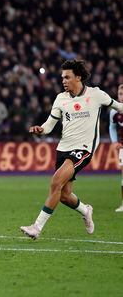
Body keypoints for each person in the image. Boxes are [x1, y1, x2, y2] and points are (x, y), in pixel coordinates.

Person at [20, 59, 123, 239]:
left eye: (67, 77)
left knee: (55, 182)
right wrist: (41, 129)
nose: (63, 81)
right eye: (62, 78)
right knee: (64, 195)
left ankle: (36, 227)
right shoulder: (61, 99)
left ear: (78, 77)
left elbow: (119, 106)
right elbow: (50, 125)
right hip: (63, 148)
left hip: (83, 149)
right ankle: (85, 210)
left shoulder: (96, 95)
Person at [109, 84, 123, 212]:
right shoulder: (114, 111)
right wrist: (114, 142)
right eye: (120, 94)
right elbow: (112, 127)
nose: (121, 96)